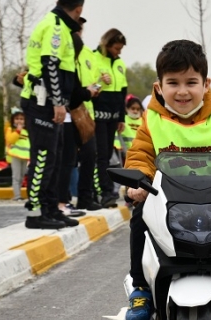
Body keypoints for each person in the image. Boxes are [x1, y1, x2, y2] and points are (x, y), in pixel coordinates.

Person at [123, 39, 211, 320]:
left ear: (206, 84)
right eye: (173, 82)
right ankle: (140, 289)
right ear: (159, 87)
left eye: (191, 82)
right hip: (168, 201)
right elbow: (140, 155)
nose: (183, 91)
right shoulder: (151, 121)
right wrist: (136, 181)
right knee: (139, 220)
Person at [20, 0, 83, 229]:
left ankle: (50, 209)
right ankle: (35, 214)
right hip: (41, 101)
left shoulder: (61, 27)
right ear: (79, 10)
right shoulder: (55, 26)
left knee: (54, 159)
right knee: (43, 158)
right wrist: (57, 102)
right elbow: (50, 65)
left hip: (48, 102)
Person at [58, 17, 100, 218]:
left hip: (82, 112)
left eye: (80, 28)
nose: (78, 31)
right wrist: (86, 92)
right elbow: (71, 90)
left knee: (84, 155)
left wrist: (95, 88)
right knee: (65, 160)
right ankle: (60, 201)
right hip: (66, 112)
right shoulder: (62, 52)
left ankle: (82, 197)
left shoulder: (87, 54)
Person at [93, 28, 127, 208]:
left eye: (120, 49)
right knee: (102, 155)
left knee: (108, 155)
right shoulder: (93, 58)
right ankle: (104, 192)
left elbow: (123, 92)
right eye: (116, 48)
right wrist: (99, 80)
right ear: (107, 44)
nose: (118, 52)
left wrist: (122, 117)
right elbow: (87, 85)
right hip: (97, 115)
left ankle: (107, 190)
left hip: (114, 116)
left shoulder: (120, 64)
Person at [4, 108, 30, 201]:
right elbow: (10, 140)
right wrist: (17, 131)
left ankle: (18, 194)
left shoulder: (27, 131)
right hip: (15, 156)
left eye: (21, 119)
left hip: (25, 156)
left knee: (22, 175)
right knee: (16, 176)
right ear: (13, 120)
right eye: (17, 118)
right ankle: (17, 195)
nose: (19, 121)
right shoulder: (11, 129)